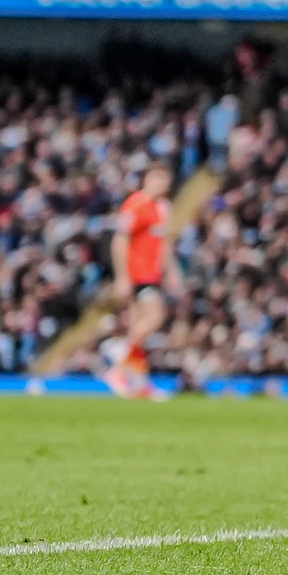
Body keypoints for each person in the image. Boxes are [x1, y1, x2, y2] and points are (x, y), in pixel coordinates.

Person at [104, 166, 178, 400]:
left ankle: (138, 383)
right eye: (157, 178)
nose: (161, 184)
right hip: (138, 274)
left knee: (138, 326)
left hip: (153, 274)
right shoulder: (135, 205)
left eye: (165, 179)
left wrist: (172, 272)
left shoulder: (164, 208)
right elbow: (120, 240)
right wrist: (122, 276)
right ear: (147, 179)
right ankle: (119, 362)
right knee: (155, 317)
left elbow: (164, 244)